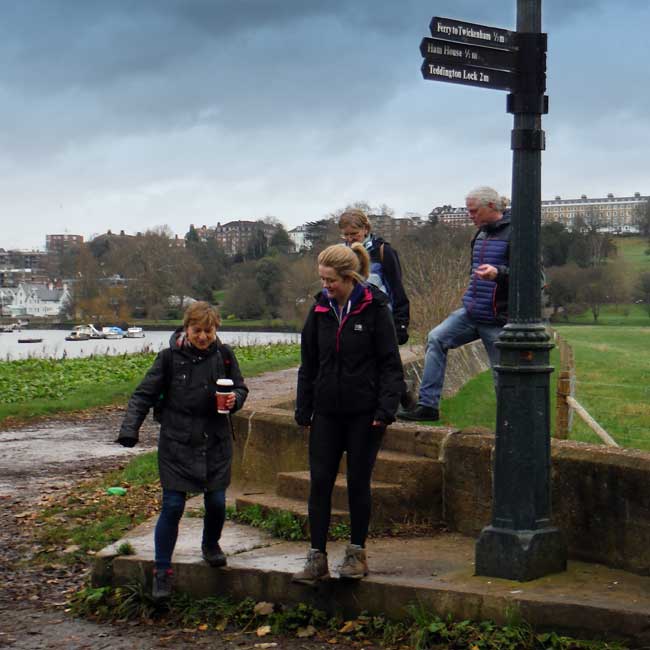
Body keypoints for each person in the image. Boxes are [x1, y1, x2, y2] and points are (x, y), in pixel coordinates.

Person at [117, 301, 248, 599]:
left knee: (216, 502)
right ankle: (162, 571)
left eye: (208, 330)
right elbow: (143, 395)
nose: (202, 336)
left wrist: (235, 401)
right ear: (186, 329)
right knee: (173, 505)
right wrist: (129, 429)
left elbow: (241, 388)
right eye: (197, 330)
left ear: (216, 330)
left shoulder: (225, 356)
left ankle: (210, 544)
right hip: (177, 443)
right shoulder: (168, 359)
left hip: (215, 441)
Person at [292, 243, 405, 584]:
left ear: (349, 277)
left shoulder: (375, 309)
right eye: (323, 280)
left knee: (358, 482)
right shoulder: (319, 311)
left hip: (364, 413)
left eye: (331, 281)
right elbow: (309, 363)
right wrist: (304, 406)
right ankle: (317, 557)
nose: (326, 286)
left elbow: (390, 364)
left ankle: (356, 553)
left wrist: (386, 408)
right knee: (320, 482)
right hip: (327, 411)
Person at [398, 186, 510, 422]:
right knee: (436, 338)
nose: (470, 216)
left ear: (491, 207)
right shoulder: (480, 234)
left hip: (499, 319)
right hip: (471, 312)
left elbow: (536, 278)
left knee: (504, 374)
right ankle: (428, 406)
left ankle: (510, 425)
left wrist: (498, 273)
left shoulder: (517, 233)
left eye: (473, 211)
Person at [338, 209, 410, 345]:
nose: (349, 239)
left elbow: (397, 289)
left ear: (365, 229)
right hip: (349, 321)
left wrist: (401, 324)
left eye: (354, 234)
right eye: (345, 235)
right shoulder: (340, 254)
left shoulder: (383, 251)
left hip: (379, 320)